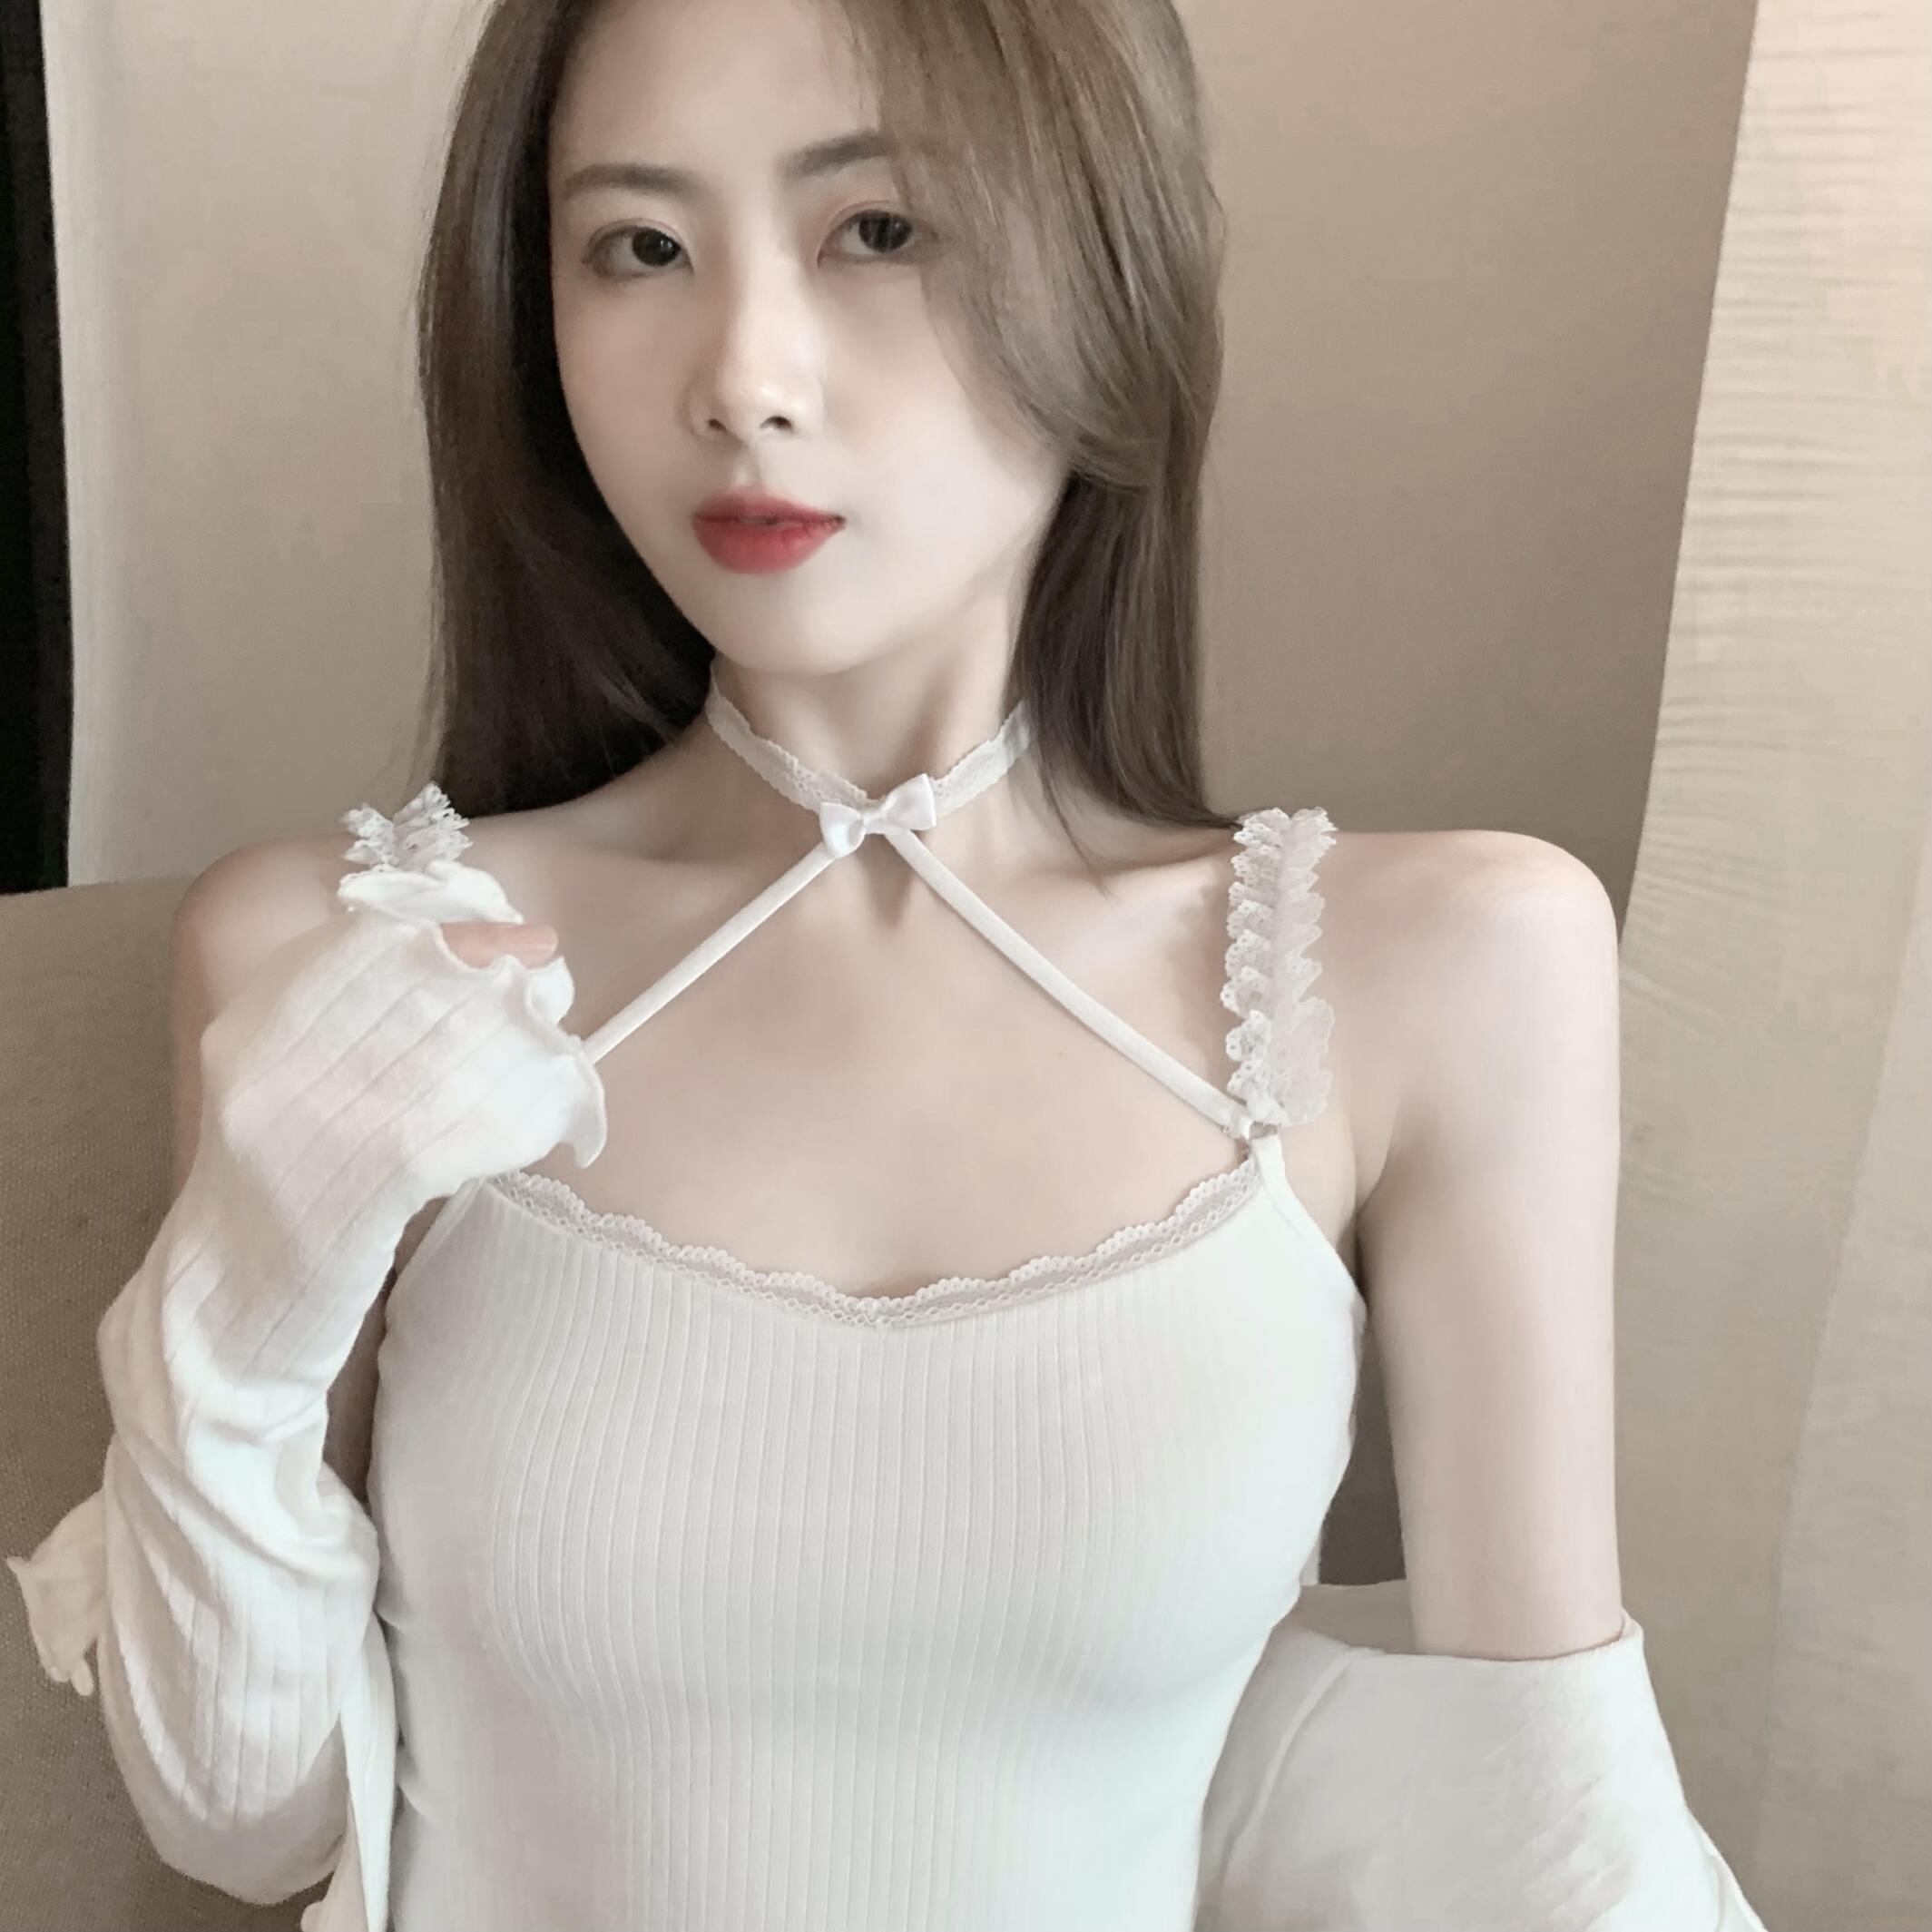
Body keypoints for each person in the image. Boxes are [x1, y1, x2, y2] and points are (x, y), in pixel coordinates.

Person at [8, 0, 1770, 1927]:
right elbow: (244, 1820)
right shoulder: (351, 955)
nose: (741, 379)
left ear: (1107, 272)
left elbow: (1540, 1832)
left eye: (879, 229)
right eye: (639, 247)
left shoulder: (1445, 966)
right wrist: (232, 1306)